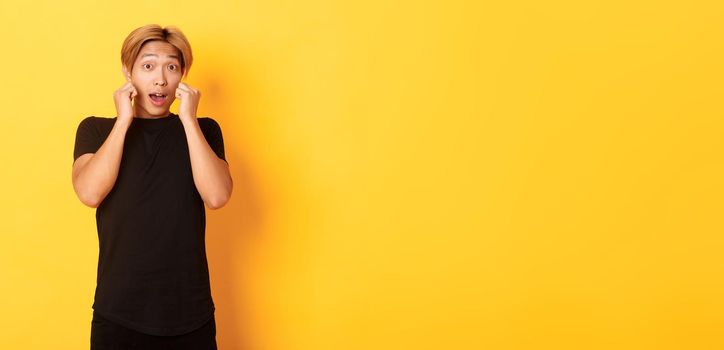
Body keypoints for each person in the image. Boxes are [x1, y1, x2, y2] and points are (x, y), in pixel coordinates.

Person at [71, 24, 233, 349]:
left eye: (171, 67)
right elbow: (89, 193)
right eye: (148, 66)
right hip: (118, 313)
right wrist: (123, 121)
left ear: (182, 75)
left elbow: (216, 196)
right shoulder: (96, 130)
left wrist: (188, 120)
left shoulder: (203, 130)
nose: (161, 79)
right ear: (127, 71)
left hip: (191, 314)